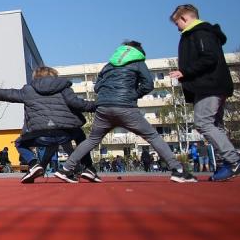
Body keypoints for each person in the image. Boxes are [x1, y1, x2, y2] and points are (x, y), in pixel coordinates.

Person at [56, 41, 196, 183]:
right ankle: (177, 170)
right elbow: (148, 85)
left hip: (103, 108)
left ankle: (66, 169)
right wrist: (133, 94)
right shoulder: (138, 62)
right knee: (153, 136)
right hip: (125, 107)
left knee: (92, 140)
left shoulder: (108, 66)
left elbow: (97, 87)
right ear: (139, 52)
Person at [0, 66, 98, 183]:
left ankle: (33, 164)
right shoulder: (64, 88)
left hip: (40, 134)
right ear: (54, 76)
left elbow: (7, 94)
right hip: (66, 133)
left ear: (36, 77)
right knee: (80, 136)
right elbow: (78, 104)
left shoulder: (28, 90)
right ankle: (88, 167)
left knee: (19, 142)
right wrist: (98, 106)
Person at [169, 4, 240, 181]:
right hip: (212, 85)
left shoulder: (200, 33)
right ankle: (226, 164)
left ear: (185, 19)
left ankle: (233, 160)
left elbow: (209, 57)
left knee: (203, 122)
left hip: (210, 85)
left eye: (177, 24)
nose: (177, 28)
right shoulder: (202, 33)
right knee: (215, 125)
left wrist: (185, 72)